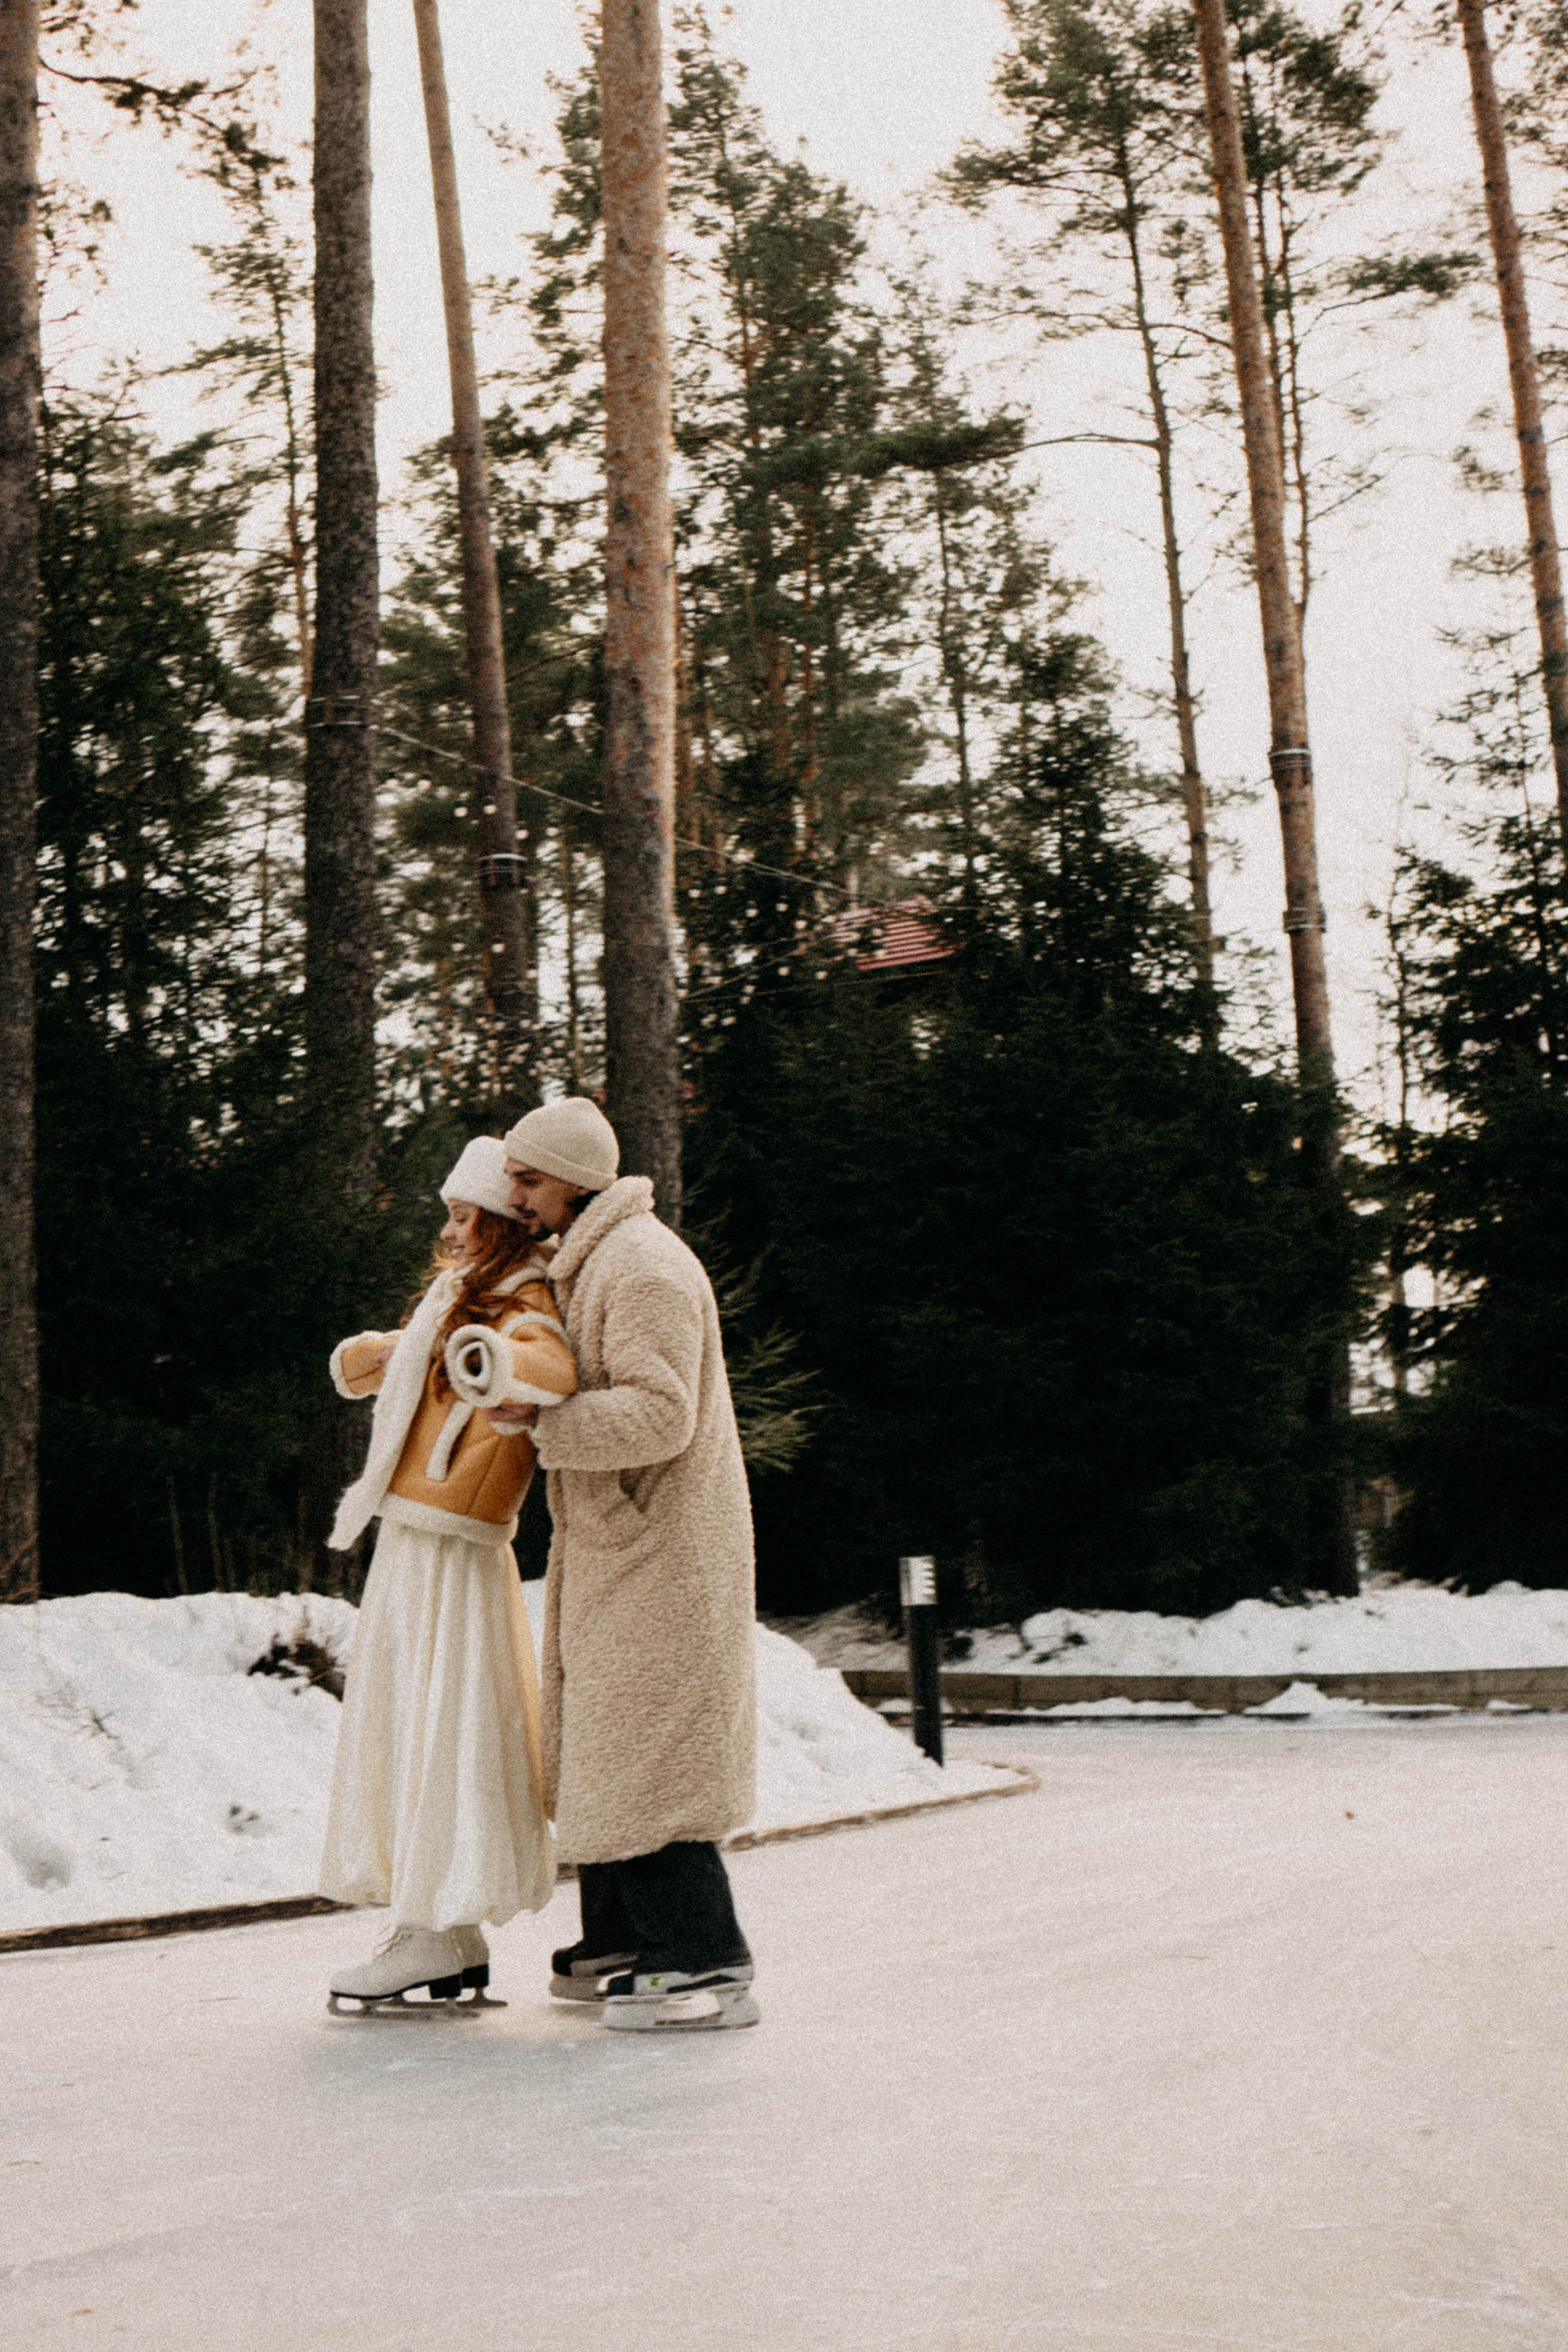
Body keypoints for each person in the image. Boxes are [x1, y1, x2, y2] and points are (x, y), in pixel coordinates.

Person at [489, 1096, 760, 2033]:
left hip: (664, 1551)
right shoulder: (597, 1258)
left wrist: (543, 1423)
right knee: (605, 1741)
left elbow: (660, 1412)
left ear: (574, 1178)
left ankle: (705, 1957)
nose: (515, 1195)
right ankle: (624, 1936)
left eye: (528, 1178)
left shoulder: (641, 1267)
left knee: (649, 1754)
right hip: (625, 1545)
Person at [317, 1136, 577, 2013]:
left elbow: (546, 1362)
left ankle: (433, 1928)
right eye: (453, 1215)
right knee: (419, 1718)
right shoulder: (457, 1301)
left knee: (442, 1723)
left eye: (470, 1217)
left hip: (454, 1542)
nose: (455, 1231)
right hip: (421, 1533)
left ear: (504, 1225)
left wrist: (491, 1364)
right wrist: (391, 1354)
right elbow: (395, 1360)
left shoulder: (521, 1299)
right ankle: (445, 1930)